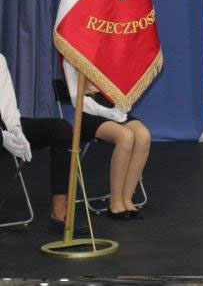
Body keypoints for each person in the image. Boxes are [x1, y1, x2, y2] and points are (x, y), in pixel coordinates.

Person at [0, 53, 87, 233]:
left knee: (60, 129)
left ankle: (59, 212)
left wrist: (15, 129)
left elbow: (7, 105)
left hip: (4, 125)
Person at [63, 64, 150, 221]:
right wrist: (108, 113)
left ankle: (127, 199)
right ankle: (115, 202)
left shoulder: (108, 53)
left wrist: (121, 106)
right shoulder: (70, 56)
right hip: (88, 112)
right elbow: (77, 100)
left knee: (143, 136)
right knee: (125, 136)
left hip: (113, 108)